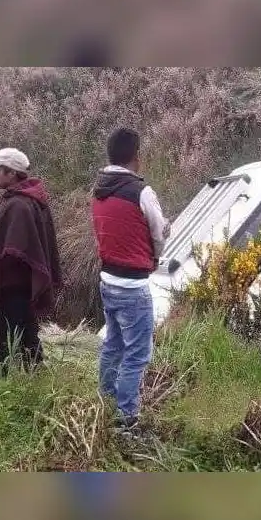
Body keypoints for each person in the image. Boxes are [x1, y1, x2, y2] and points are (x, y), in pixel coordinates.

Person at [91, 128, 170, 435]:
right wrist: (158, 249)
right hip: (133, 287)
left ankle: (107, 399)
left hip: (107, 280)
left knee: (113, 345)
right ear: (137, 157)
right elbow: (157, 234)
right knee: (137, 353)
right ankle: (126, 418)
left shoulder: (99, 189)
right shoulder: (141, 192)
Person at [0, 148, 62, 374]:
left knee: (17, 336)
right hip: (19, 285)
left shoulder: (19, 204)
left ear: (11, 173)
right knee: (24, 333)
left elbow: (15, 250)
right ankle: (27, 379)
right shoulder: (23, 198)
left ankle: (19, 381)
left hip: (13, 286)